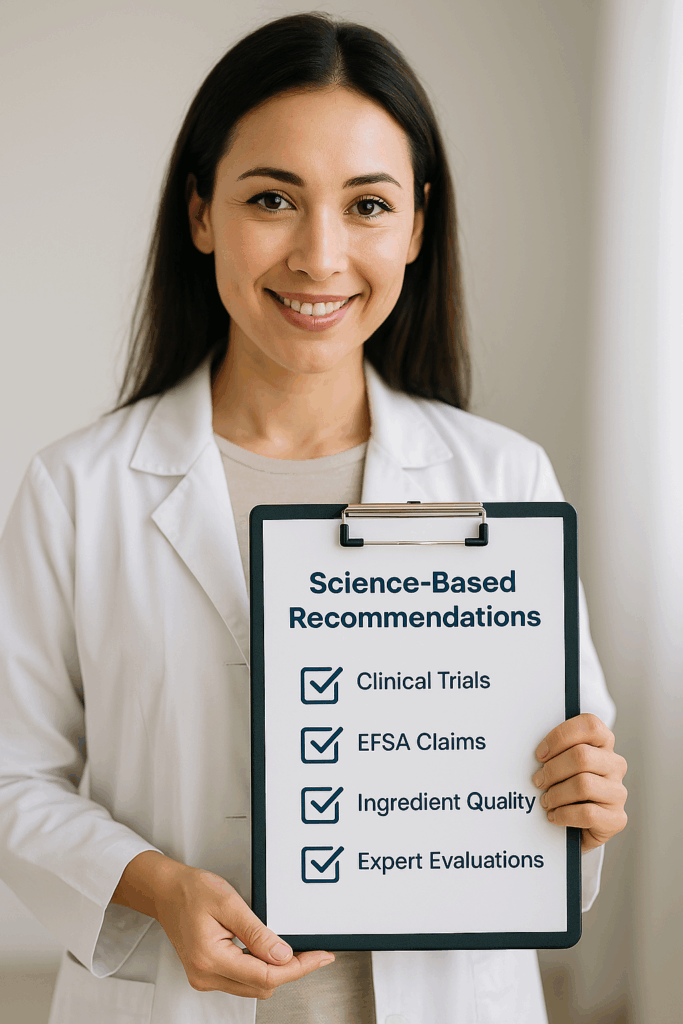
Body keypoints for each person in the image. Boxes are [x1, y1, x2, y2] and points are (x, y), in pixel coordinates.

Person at [0, 12, 627, 1024]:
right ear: (201, 212)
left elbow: (556, 786)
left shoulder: (502, 474)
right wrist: (156, 885)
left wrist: (580, 801)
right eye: (272, 199)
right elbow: (12, 779)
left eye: (366, 204)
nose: (319, 254)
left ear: (416, 226)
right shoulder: (80, 489)